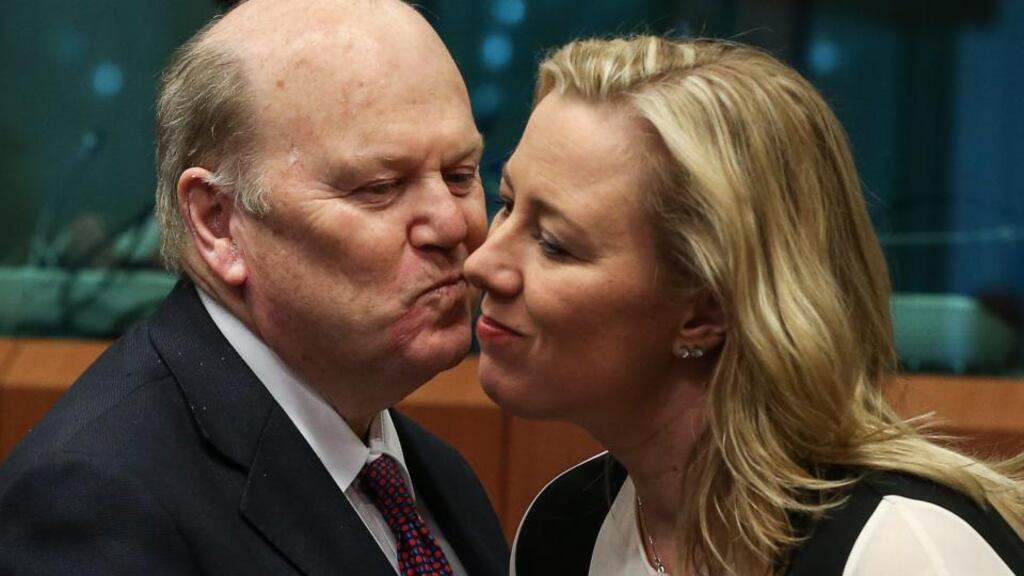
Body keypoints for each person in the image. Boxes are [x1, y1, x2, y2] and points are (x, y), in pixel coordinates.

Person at [463, 36, 1024, 575]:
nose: (482, 263)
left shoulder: (905, 553)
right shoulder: (562, 529)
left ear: (705, 313)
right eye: (506, 204)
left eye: (555, 244)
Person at [0, 1, 509, 574]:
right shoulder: (96, 504)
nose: (453, 224)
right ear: (218, 222)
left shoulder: (432, 476)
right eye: (380, 187)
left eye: (462, 176)